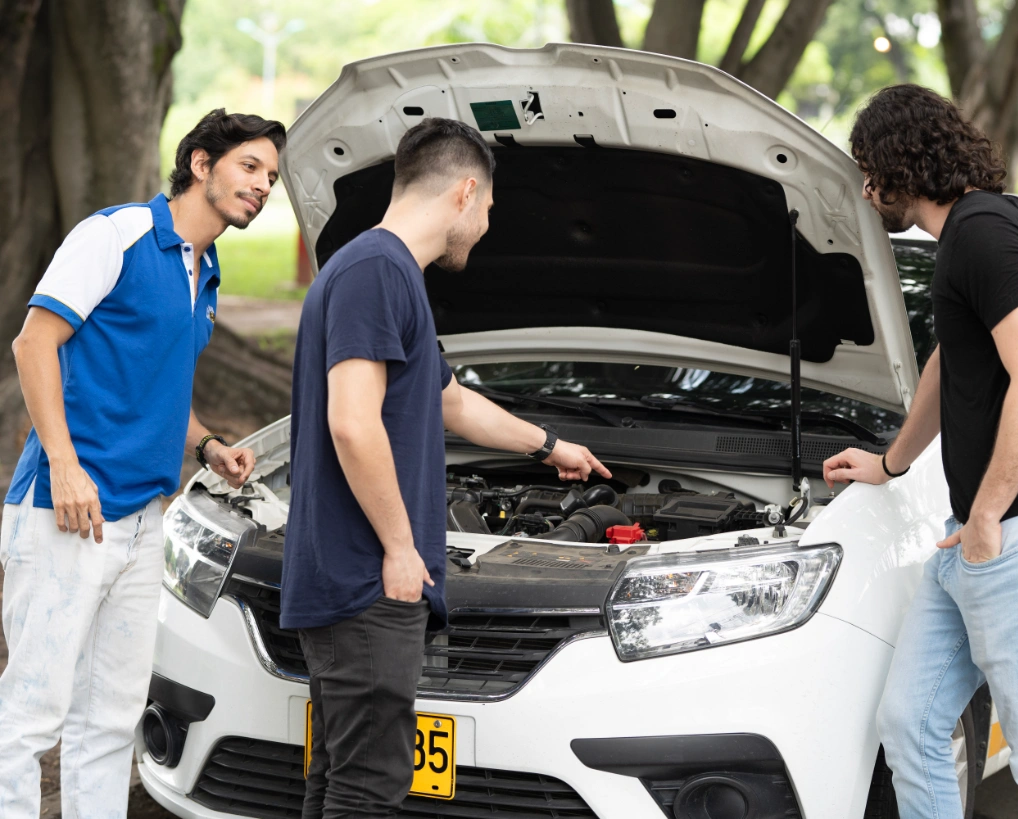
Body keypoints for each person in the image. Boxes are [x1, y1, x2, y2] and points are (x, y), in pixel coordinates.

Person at [281, 117, 611, 817]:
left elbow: (451, 401)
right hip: (366, 578)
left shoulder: (383, 270)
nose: (487, 226)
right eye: (489, 208)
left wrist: (550, 446)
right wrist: (400, 546)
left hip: (349, 577)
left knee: (340, 775)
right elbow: (351, 418)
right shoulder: (378, 271)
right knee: (368, 783)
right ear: (466, 191)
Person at [0, 109, 285, 818]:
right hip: (65, 511)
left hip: (141, 521)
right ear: (200, 163)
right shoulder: (116, 235)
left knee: (112, 715)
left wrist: (207, 445)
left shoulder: (204, 267)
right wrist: (65, 467)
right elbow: (34, 345)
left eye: (272, 177)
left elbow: (154, 384)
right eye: (250, 167)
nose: (263, 186)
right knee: (32, 714)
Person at [824, 84, 1018, 818]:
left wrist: (989, 516)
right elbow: (951, 361)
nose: (868, 188)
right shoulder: (968, 241)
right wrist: (890, 462)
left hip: (1006, 539)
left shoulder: (983, 232)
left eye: (869, 169)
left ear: (901, 160)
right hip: (973, 542)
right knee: (910, 724)